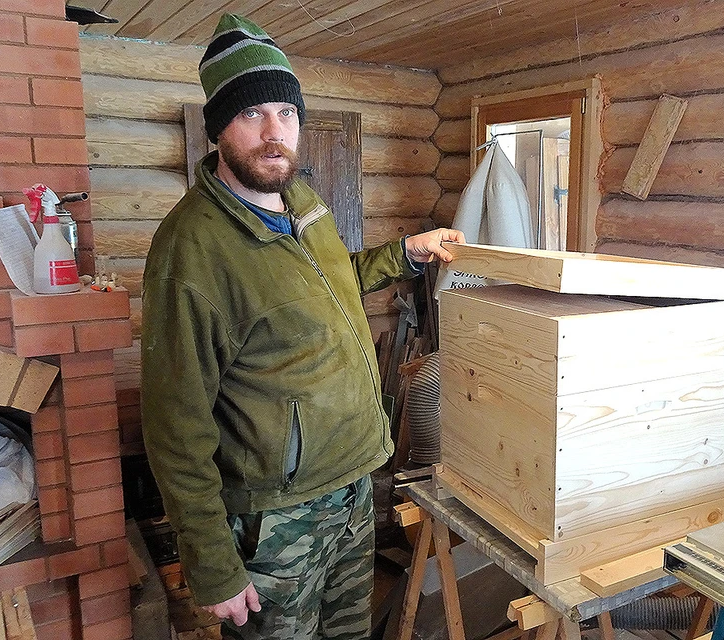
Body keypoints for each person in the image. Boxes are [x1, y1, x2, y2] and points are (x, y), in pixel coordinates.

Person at [140, 13, 464, 640]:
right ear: (217, 130)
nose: (273, 132)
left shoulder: (301, 202)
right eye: (251, 113)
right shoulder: (191, 250)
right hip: (275, 521)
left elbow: (325, 281)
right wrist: (212, 567)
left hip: (350, 490)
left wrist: (404, 254)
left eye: (285, 113)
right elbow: (174, 428)